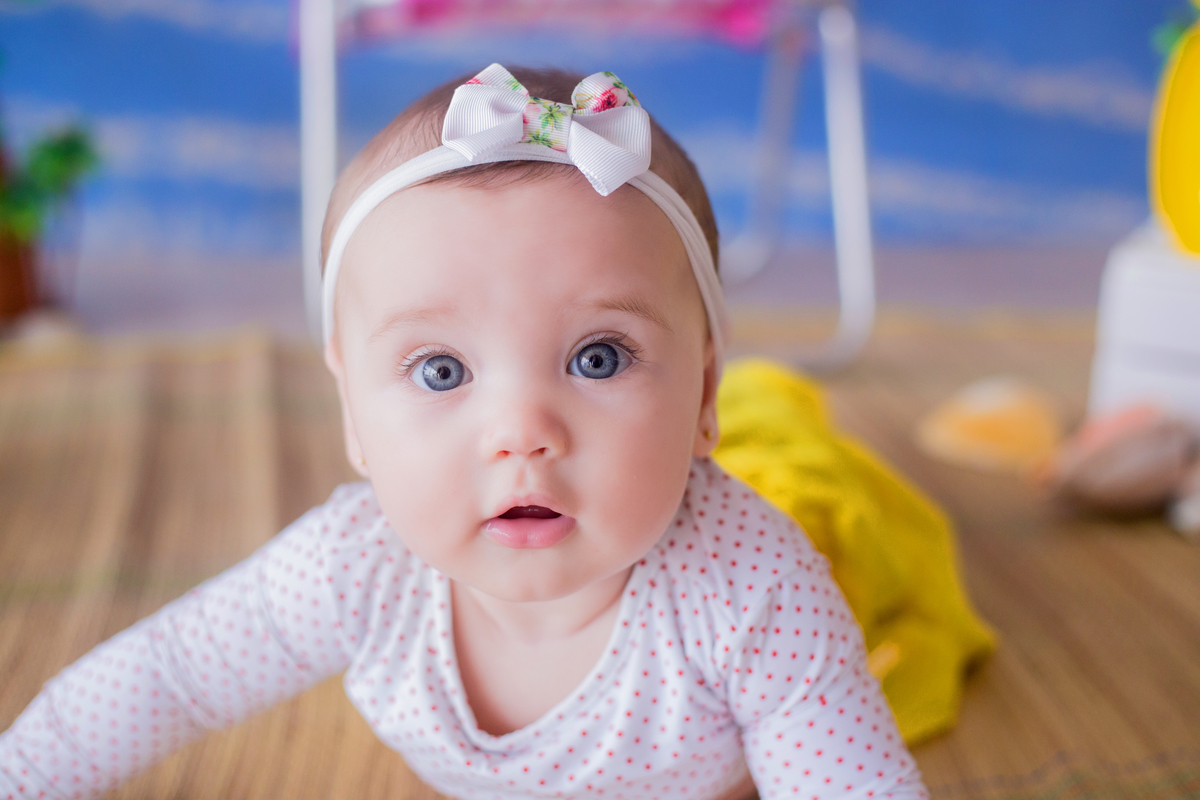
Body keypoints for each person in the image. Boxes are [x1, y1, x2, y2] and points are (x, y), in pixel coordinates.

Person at [0, 64, 927, 800]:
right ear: (354, 415)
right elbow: (171, 676)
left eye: (599, 358)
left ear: (702, 397)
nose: (522, 433)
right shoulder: (355, 568)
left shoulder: (753, 590)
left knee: (848, 523)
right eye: (440, 371)